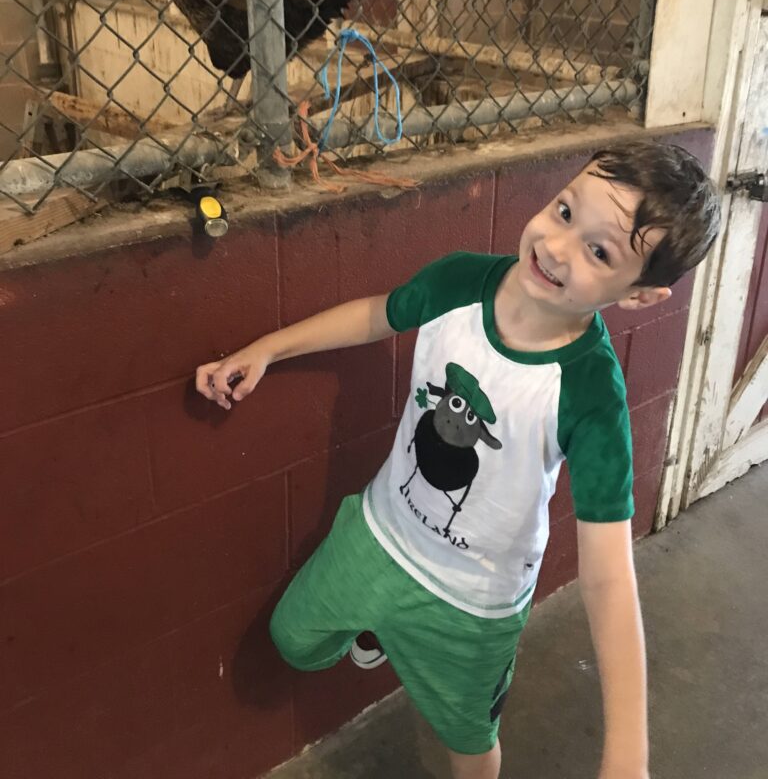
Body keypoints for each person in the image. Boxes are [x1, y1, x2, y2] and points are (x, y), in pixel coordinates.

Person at [196, 140, 720, 779]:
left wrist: (628, 750)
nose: (557, 247)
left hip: (473, 607)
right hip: (380, 535)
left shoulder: (590, 395)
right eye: (563, 211)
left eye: (599, 251)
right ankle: (379, 635)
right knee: (293, 640)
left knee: (469, 745)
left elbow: (608, 574)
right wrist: (268, 349)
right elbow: (376, 315)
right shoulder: (460, 280)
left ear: (638, 295)